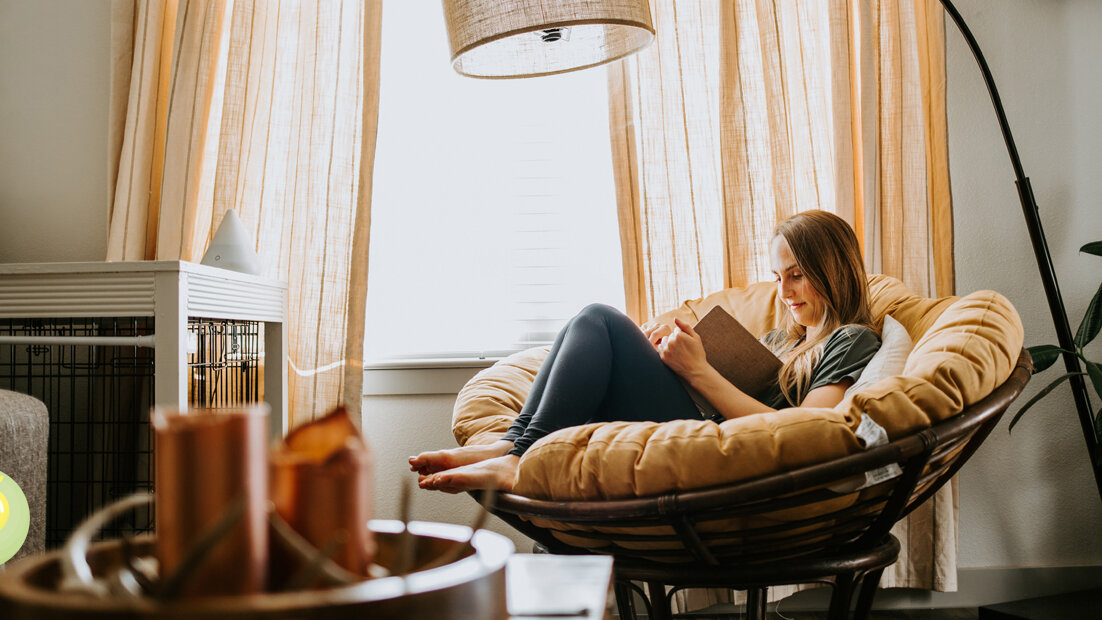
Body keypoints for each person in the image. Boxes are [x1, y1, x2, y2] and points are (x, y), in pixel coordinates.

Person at [410, 210, 881, 493]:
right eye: (779, 278)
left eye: (796, 275)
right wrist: (672, 354)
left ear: (834, 268)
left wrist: (697, 371)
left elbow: (809, 431)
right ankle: (513, 442)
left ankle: (520, 456)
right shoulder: (788, 338)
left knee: (601, 320)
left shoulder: (851, 339)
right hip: (697, 416)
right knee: (585, 325)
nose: (784, 292)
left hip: (716, 445)